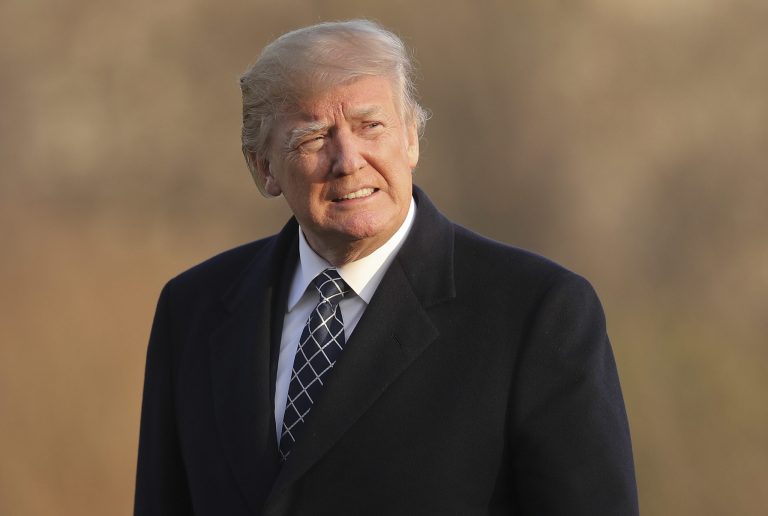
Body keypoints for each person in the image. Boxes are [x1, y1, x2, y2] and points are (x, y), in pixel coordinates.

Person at [134, 19, 639, 516]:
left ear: (412, 139)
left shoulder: (537, 313)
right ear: (264, 167)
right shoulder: (193, 310)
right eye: (313, 137)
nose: (348, 159)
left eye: (369, 126)